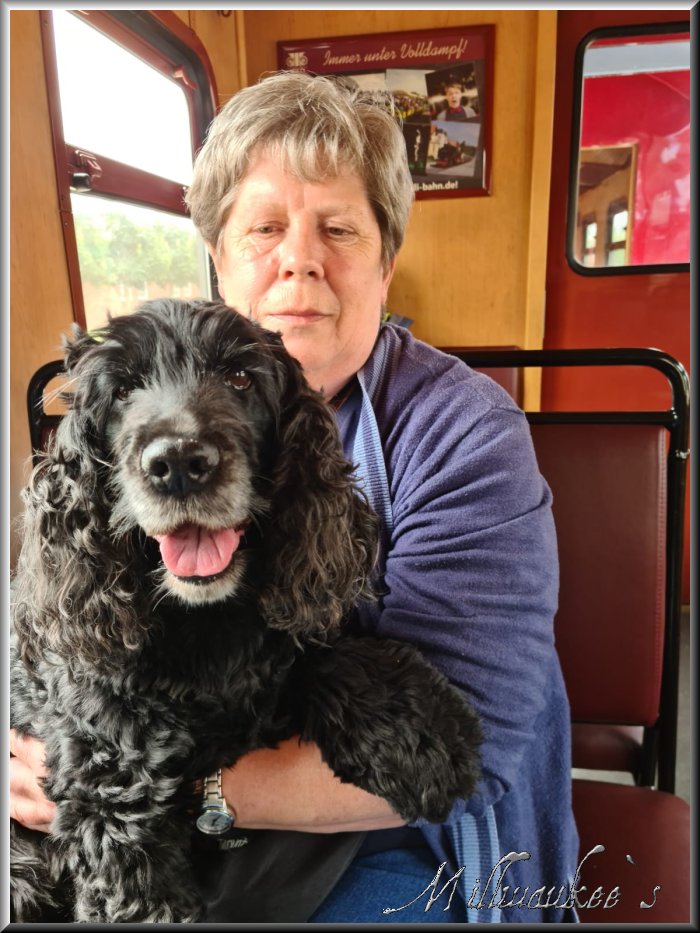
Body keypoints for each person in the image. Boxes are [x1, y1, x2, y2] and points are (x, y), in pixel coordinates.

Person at [10, 71, 579, 923]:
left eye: (338, 228)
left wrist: (164, 791)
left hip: (389, 831)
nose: (300, 257)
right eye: (265, 227)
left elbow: (472, 753)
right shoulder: (106, 437)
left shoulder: (462, 432)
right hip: (102, 827)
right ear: (219, 258)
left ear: (386, 261)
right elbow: (50, 634)